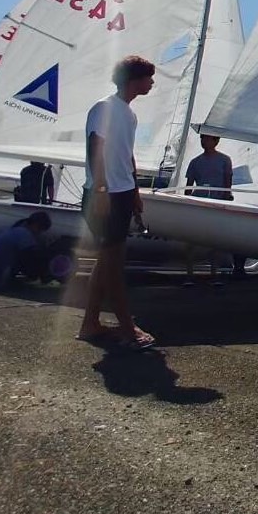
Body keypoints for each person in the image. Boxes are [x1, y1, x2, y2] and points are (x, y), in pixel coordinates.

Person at [79, 54, 156, 350]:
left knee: (107, 261)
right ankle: (128, 329)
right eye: (148, 77)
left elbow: (126, 155)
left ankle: (90, 324)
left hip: (122, 193)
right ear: (134, 79)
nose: (152, 82)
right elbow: (94, 147)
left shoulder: (129, 114)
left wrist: (134, 193)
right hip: (104, 193)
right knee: (113, 265)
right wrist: (100, 190)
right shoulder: (104, 108)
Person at [184, 135, 234, 284]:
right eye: (202, 139)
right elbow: (189, 186)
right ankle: (189, 276)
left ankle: (214, 276)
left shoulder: (225, 160)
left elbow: (227, 184)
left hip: (216, 202)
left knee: (215, 240)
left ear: (216, 141)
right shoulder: (195, 162)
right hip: (199, 202)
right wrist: (186, 202)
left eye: (207, 139)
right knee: (191, 240)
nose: (203, 142)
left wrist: (226, 199)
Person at [0, 211, 52, 289]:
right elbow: (31, 259)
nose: (39, 233)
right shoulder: (24, 234)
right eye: (40, 230)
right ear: (35, 225)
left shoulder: (14, 230)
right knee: (34, 259)